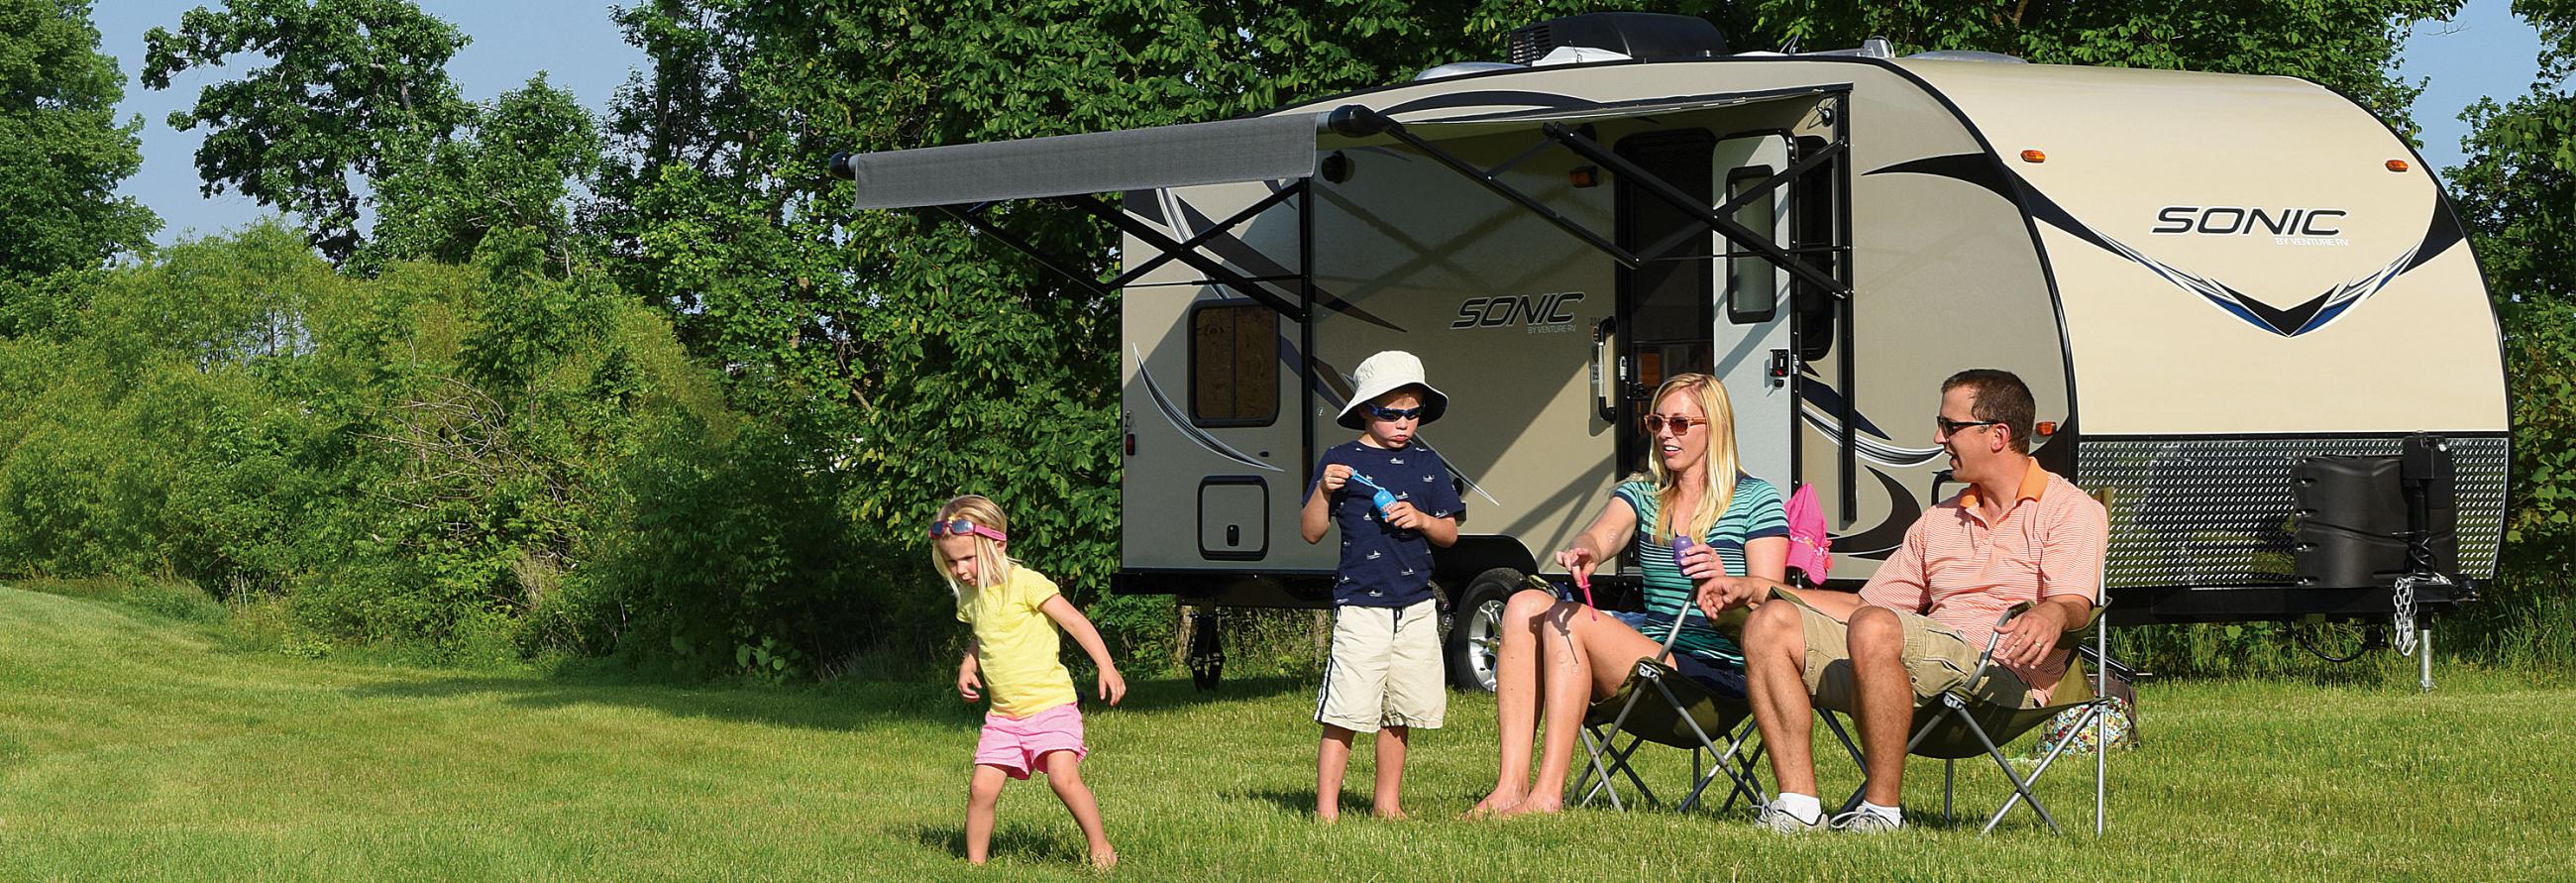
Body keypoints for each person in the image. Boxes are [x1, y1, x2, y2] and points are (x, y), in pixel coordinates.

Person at [1705, 369, 2108, 833]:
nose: (1939, 438)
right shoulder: (1938, 521)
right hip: (1920, 663)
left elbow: (2075, 603)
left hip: (1999, 676)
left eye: (1950, 426)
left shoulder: (2070, 509)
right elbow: (1865, 607)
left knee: (1875, 629)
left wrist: (2053, 612)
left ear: (1997, 435)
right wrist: (1760, 589)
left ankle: (1880, 811)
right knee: (1770, 622)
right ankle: (1797, 804)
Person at [1468, 373, 1788, 818]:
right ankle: (1510, 786)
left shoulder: (1757, 498)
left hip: (1715, 677)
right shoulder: (1641, 492)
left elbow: (1774, 602)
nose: (1664, 435)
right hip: (1650, 657)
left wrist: (1729, 582)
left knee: (1573, 619)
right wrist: (1587, 549)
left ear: (1713, 428)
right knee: (1523, 604)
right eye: (1656, 422)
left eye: (1680, 424)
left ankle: (1547, 797)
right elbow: (1605, 532)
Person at [1300, 350, 1463, 822]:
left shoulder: (1428, 464)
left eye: (1413, 413)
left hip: (1414, 605)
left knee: (1400, 711)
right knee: (1347, 709)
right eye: (1392, 414)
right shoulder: (1340, 461)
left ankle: (1386, 804)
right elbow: (1311, 531)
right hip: (1360, 606)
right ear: (1366, 411)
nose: (1404, 424)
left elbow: (1449, 533)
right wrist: (1324, 491)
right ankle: (1326, 809)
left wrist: (1422, 519)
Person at [938, 494, 1125, 869]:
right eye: (951, 561)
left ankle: (1101, 848)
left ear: (998, 544)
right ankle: (974, 867)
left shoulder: (1027, 583)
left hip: (1051, 707)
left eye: (967, 558)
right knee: (980, 790)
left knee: (1062, 778)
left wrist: (1107, 666)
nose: (959, 570)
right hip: (1004, 717)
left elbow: (1075, 622)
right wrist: (967, 665)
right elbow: (984, 633)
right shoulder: (972, 597)